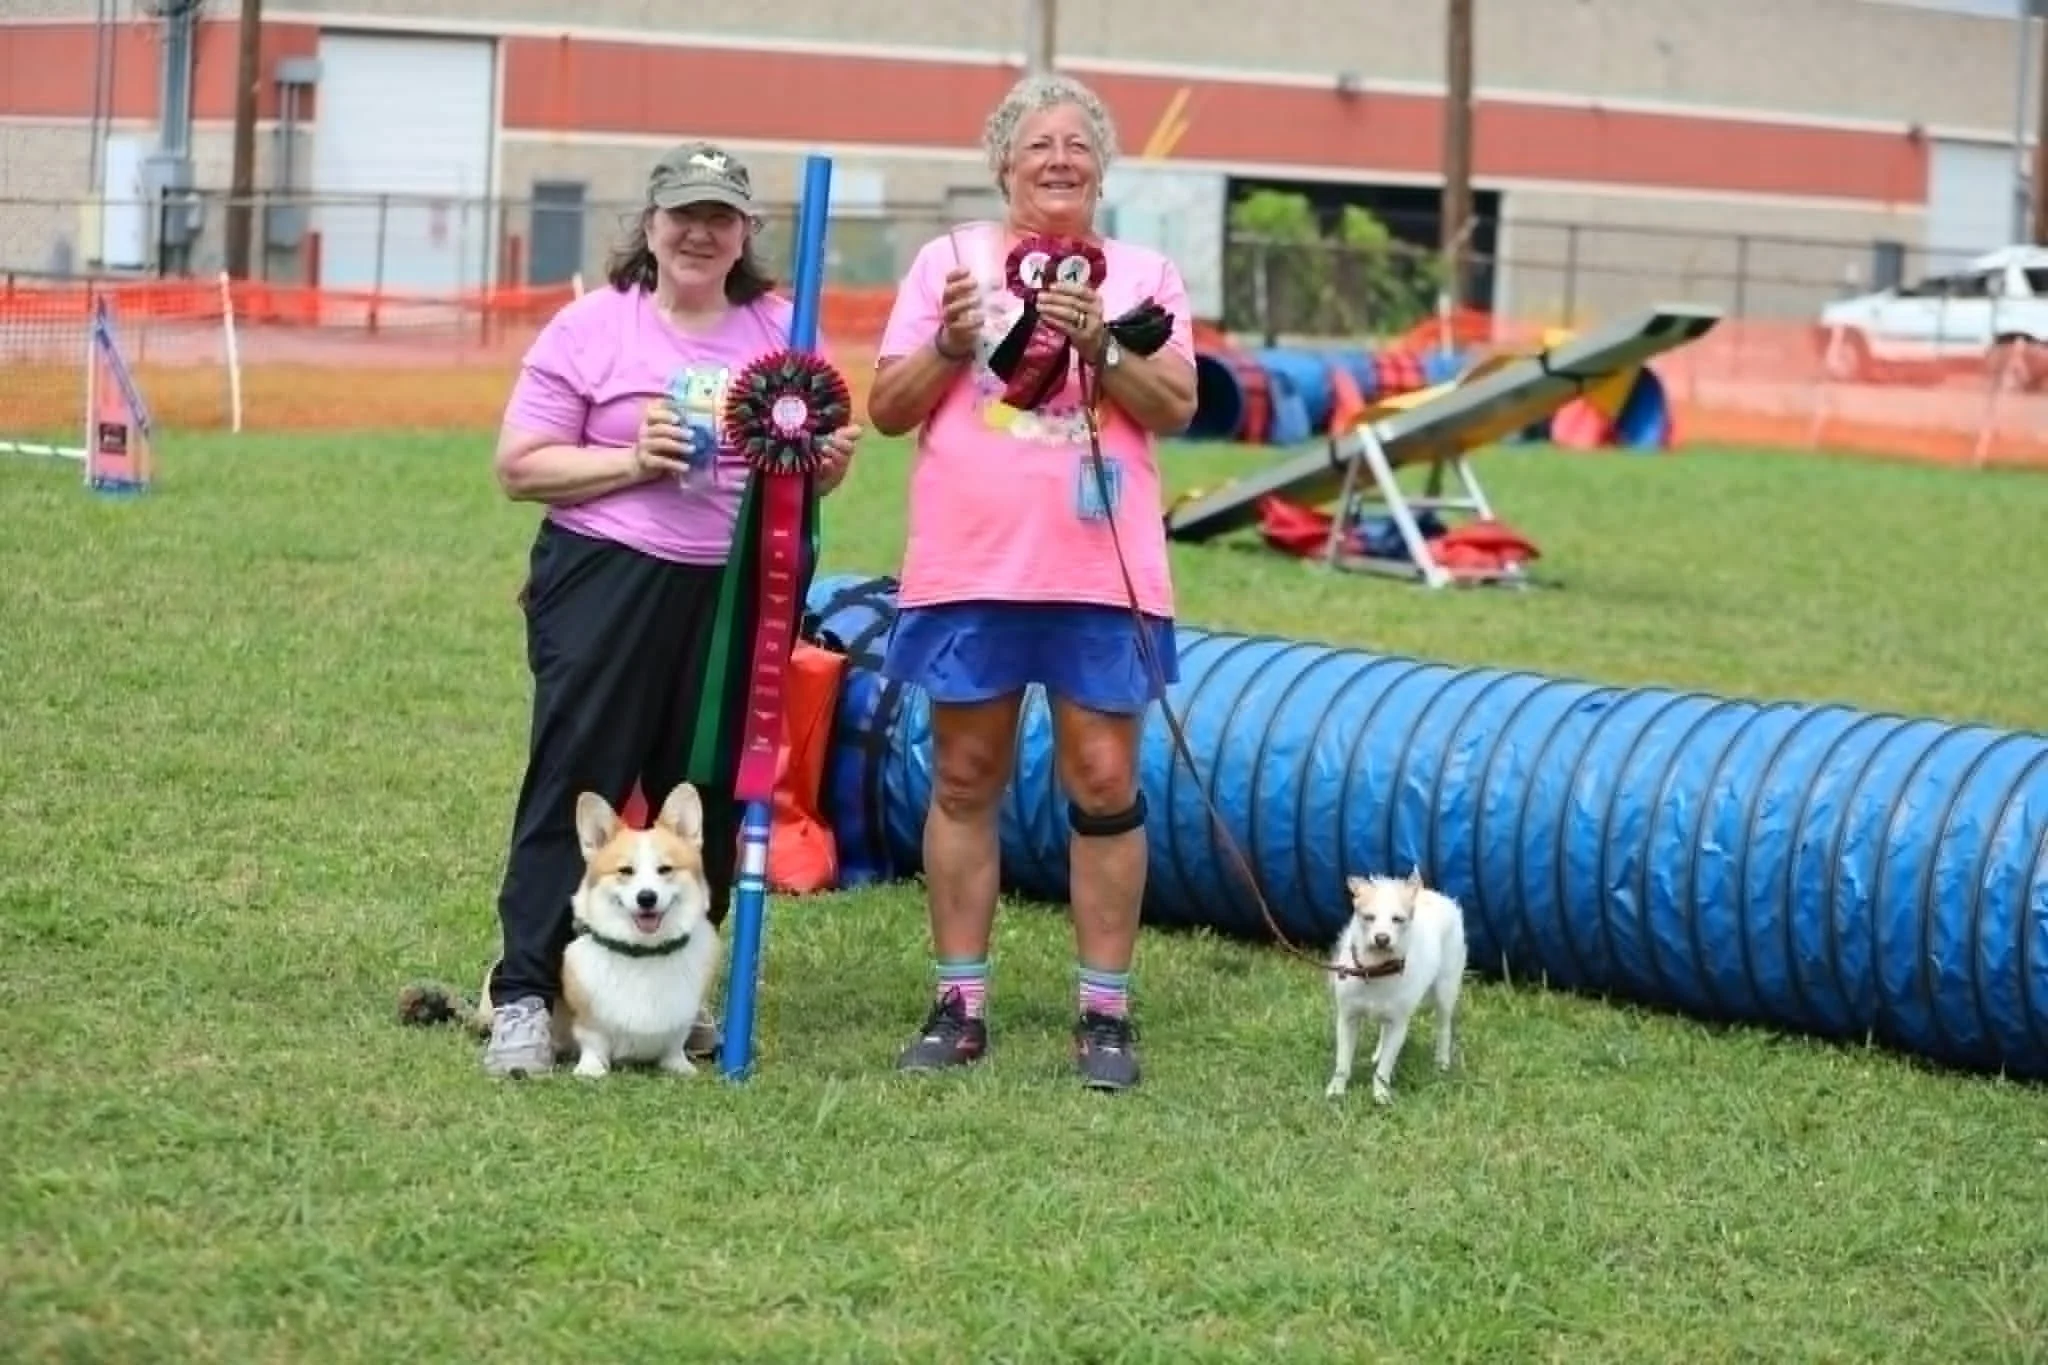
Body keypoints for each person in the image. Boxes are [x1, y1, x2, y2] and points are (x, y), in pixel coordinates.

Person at [483, 140, 861, 1078]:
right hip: (604, 579)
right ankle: (525, 993)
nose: (699, 231)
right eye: (682, 213)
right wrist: (629, 460)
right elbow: (518, 464)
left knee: (712, 790)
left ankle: (677, 995)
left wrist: (826, 467)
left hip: (735, 595)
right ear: (648, 225)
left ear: (745, 235)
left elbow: (810, 473)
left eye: (719, 217)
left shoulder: (784, 329)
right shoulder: (591, 328)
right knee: (579, 781)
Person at [865, 74, 1199, 1092]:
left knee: (1103, 781)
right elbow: (886, 407)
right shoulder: (947, 263)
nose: (1057, 158)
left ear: (1101, 168)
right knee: (965, 779)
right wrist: (951, 344)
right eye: (1036, 143)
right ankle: (958, 1004)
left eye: (1077, 144)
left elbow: (1176, 404)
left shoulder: (1144, 274)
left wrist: (1099, 341)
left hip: (1101, 570)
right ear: (1001, 164)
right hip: (971, 563)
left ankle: (1103, 1016)